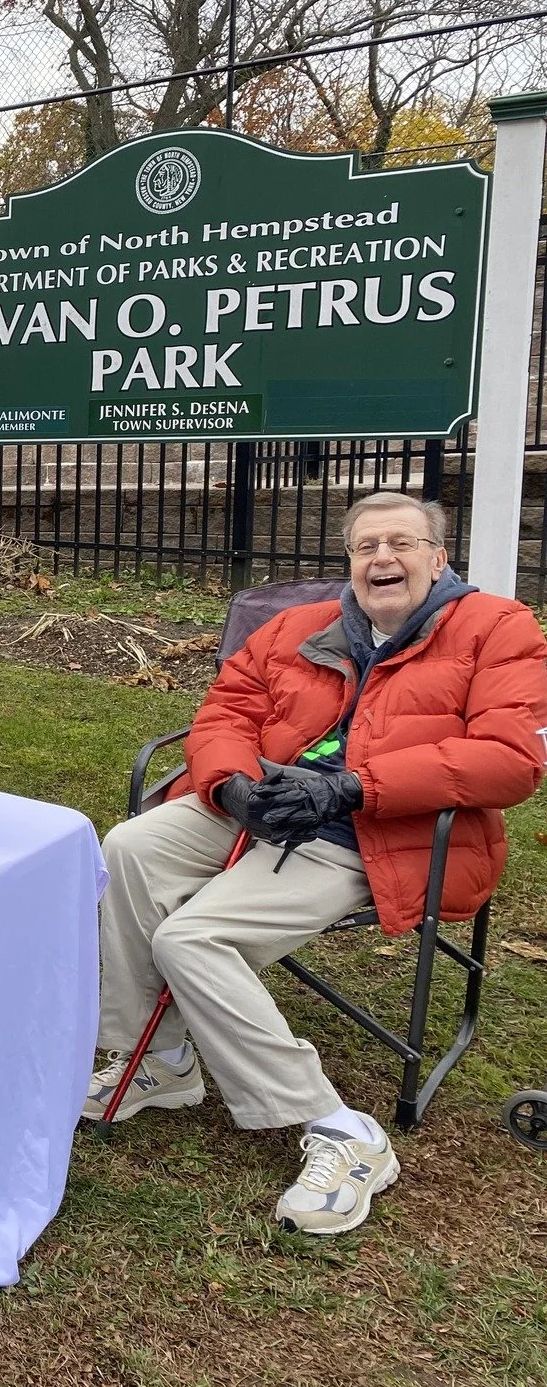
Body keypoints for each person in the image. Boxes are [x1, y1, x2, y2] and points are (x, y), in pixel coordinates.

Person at [85, 491, 547, 1235]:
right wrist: (233, 785)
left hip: (374, 830)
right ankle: (160, 1060)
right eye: (366, 547)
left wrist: (355, 788)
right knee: (128, 845)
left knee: (193, 939)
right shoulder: (299, 627)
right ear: (350, 561)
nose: (382, 559)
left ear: (439, 557)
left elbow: (509, 762)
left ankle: (340, 1131)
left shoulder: (498, 628)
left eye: (402, 543)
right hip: (264, 803)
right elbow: (225, 713)